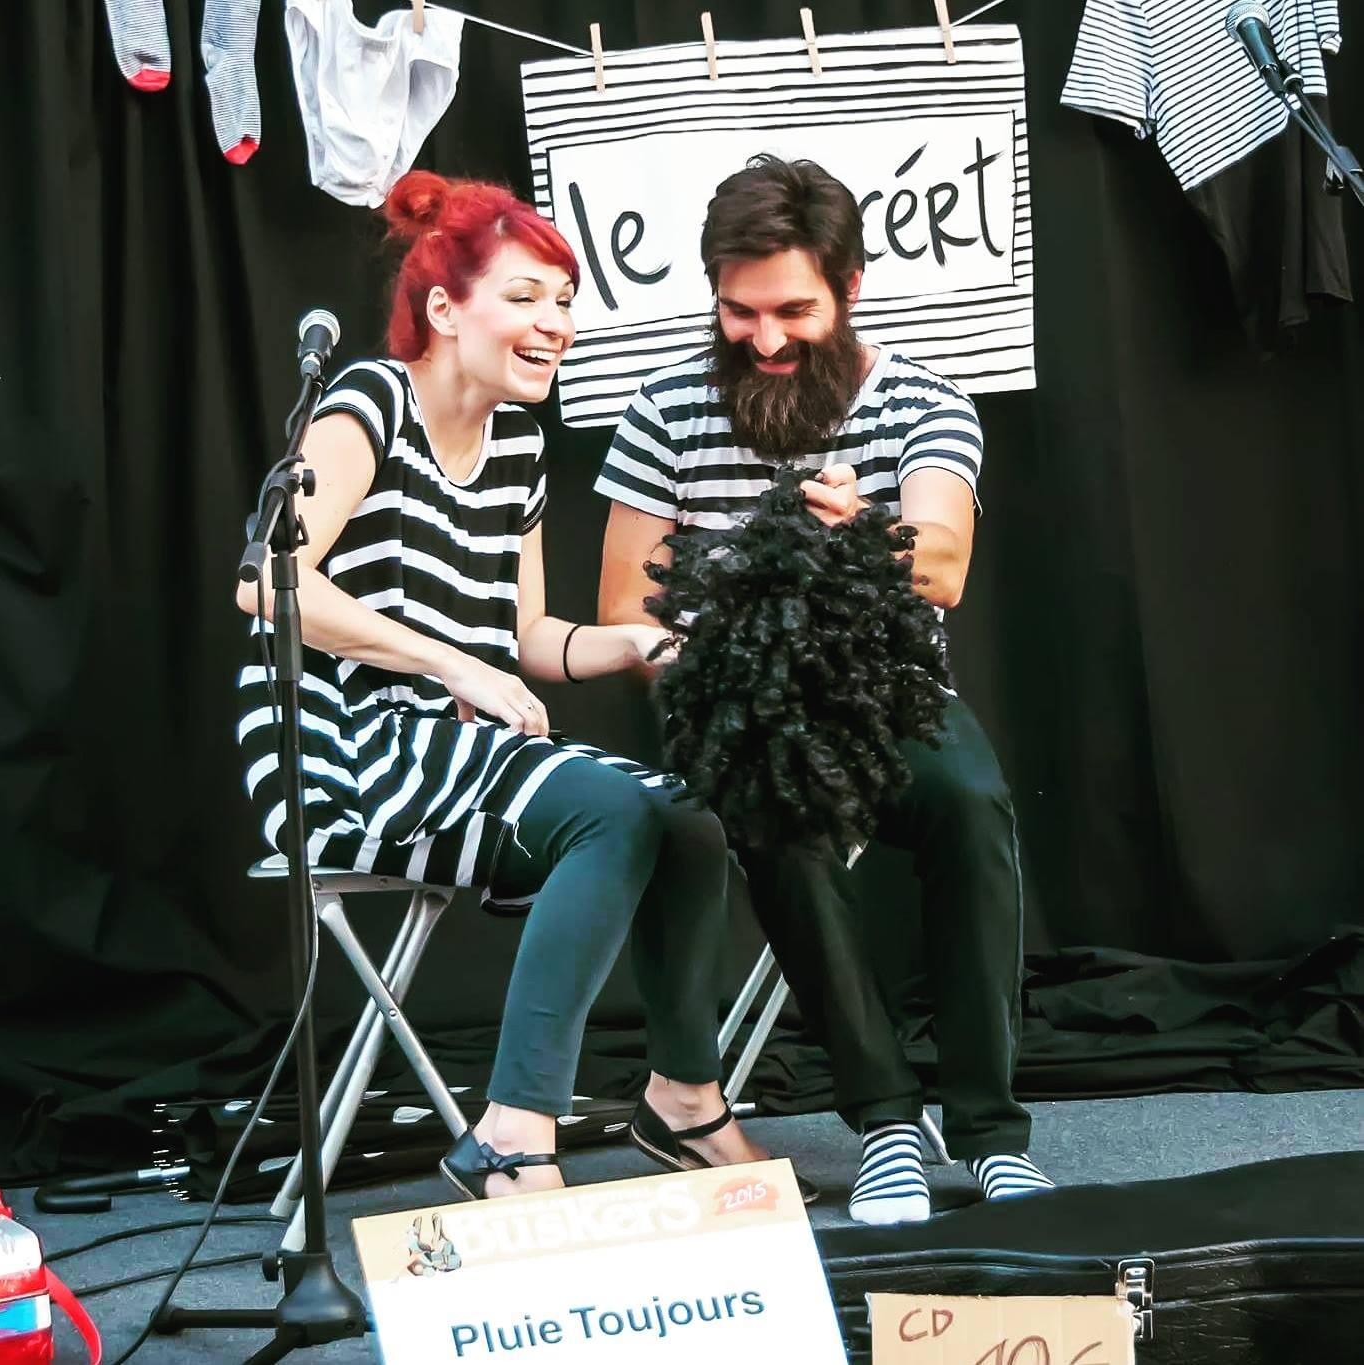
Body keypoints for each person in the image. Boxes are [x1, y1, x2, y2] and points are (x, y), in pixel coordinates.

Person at [236, 170, 797, 1203]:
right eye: (528, 298)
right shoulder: (370, 402)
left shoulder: (522, 447)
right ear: (445, 310)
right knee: (615, 814)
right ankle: (512, 1129)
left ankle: (682, 1099)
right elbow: (268, 585)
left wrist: (635, 644)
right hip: (344, 740)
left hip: (456, 741)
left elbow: (531, 637)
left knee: (687, 821)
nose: (557, 324)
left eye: (565, 301)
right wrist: (451, 661)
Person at [597, 154, 1054, 1224]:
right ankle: (888, 1120)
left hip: (886, 690)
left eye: (792, 310)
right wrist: (711, 669)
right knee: (777, 814)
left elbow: (943, 564)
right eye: (738, 311)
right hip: (736, 702)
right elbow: (626, 605)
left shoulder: (923, 402)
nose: (763, 337)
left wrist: (858, 536)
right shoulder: (663, 409)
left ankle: (990, 1129)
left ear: (850, 290)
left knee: (973, 806)